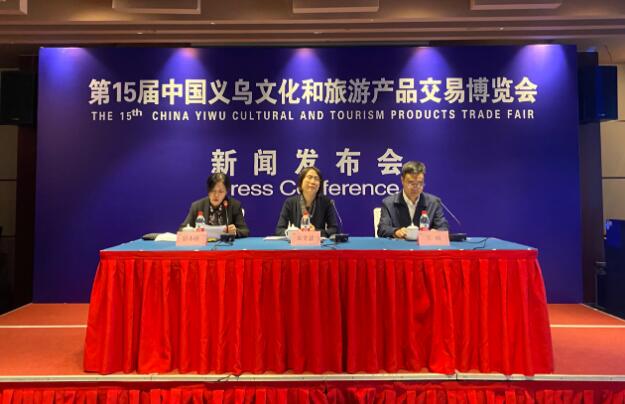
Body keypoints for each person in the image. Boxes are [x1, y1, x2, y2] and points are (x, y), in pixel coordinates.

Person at [377, 160, 448, 238]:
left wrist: (437, 232)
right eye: (411, 183)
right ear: (402, 180)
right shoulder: (388, 203)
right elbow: (382, 229)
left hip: (425, 245)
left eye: (420, 183)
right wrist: (396, 231)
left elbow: (443, 227)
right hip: (399, 244)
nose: (416, 187)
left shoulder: (434, 203)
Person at [275, 166, 339, 238]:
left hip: (319, 243)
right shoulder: (290, 202)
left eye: (316, 179)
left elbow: (334, 229)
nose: (313, 182)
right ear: (301, 182)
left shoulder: (326, 202)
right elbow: (279, 230)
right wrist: (294, 233)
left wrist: (317, 232)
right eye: (309, 177)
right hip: (296, 243)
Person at [179, 172, 249, 237]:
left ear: (226, 192)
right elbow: (182, 229)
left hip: (225, 244)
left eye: (220, 191)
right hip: (204, 245)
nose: (216, 195)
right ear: (208, 191)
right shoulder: (197, 206)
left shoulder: (234, 205)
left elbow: (245, 231)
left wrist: (235, 231)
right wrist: (191, 231)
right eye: (213, 191)